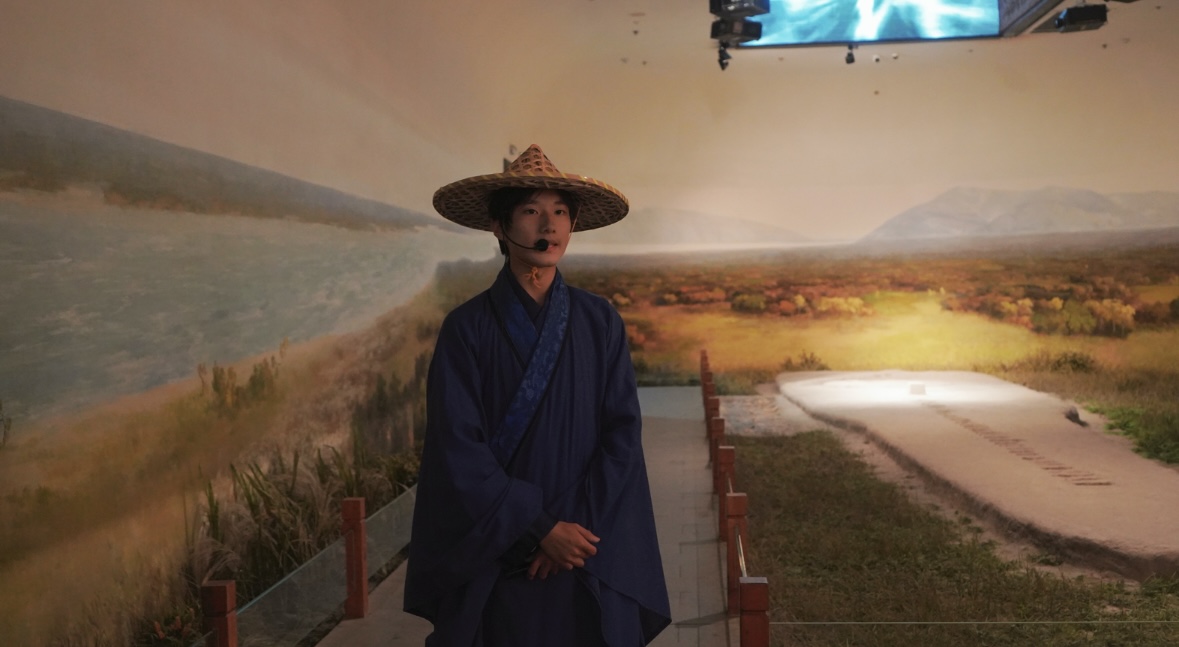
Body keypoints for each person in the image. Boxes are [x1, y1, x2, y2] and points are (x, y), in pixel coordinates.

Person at [403, 145, 671, 646]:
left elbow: (622, 435)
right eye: (530, 211)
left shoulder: (599, 321)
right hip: (500, 547)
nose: (549, 226)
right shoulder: (466, 329)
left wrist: (572, 534)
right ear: (498, 226)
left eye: (561, 212)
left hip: (584, 546)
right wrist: (539, 528)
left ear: (573, 224)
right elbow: (457, 449)